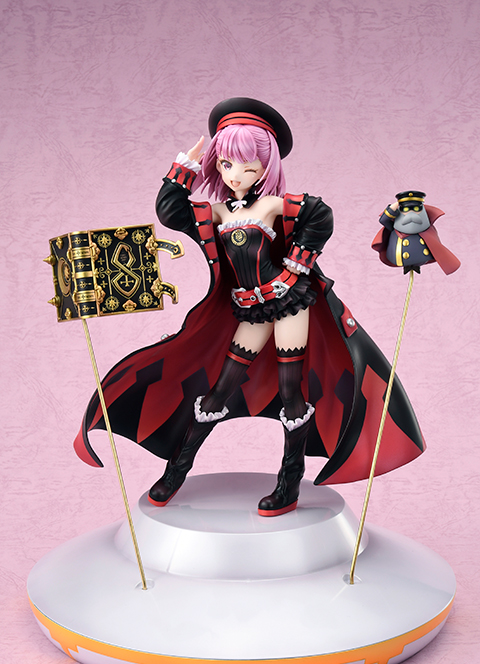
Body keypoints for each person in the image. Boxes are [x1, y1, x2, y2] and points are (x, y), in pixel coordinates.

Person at [75, 98, 425, 516]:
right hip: (250, 309)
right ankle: (175, 472)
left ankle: (289, 483)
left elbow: (321, 214)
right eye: (225, 164)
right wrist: (184, 168)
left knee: (291, 391)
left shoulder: (272, 206)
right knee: (218, 390)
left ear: (265, 165)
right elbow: (170, 212)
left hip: (290, 304)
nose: (235, 174)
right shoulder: (216, 212)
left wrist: (297, 265)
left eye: (246, 164)